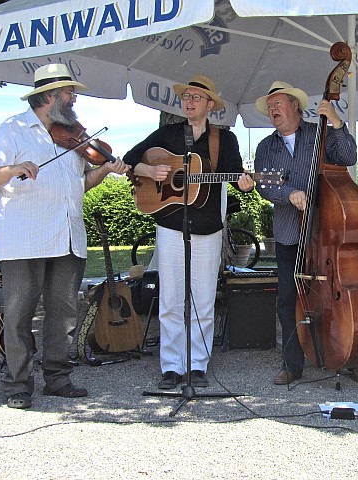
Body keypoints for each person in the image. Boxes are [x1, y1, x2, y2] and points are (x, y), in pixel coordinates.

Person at [0, 63, 131, 409]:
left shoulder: (73, 135)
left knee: (64, 313)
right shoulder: (13, 128)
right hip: (24, 238)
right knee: (19, 313)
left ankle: (58, 379)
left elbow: (82, 185)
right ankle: (17, 384)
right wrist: (13, 169)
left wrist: (104, 169)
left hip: (67, 235)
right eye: (68, 92)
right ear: (48, 96)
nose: (73, 98)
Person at [123, 75, 253, 389]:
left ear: (210, 105)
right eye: (187, 96)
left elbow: (235, 176)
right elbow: (130, 161)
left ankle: (197, 365)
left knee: (203, 300)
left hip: (208, 230)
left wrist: (245, 182)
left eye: (197, 97)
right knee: (169, 300)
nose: (190, 101)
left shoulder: (224, 140)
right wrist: (151, 170)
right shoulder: (167, 134)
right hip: (170, 225)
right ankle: (171, 366)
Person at [253, 81, 358, 385]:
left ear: (295, 106)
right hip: (291, 233)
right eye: (270, 106)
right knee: (288, 299)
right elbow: (264, 184)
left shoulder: (320, 132)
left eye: (278, 103)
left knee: (336, 296)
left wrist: (336, 121)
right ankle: (292, 365)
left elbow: (348, 157)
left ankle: (348, 356)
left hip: (328, 231)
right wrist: (289, 192)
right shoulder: (266, 147)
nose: (273, 109)